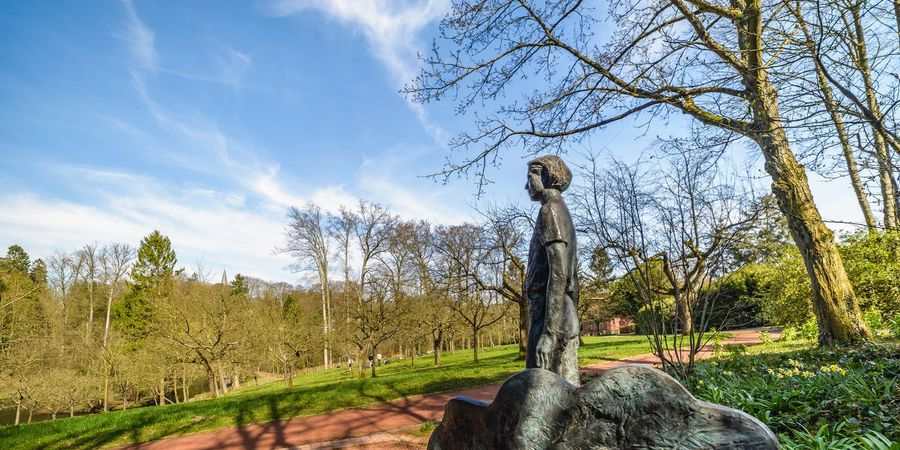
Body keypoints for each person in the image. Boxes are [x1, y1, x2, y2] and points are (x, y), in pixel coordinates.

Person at [524, 155, 580, 385]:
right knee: (562, 389)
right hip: (557, 314)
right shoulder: (560, 210)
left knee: (546, 389)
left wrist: (549, 333)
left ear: (545, 176)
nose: (526, 186)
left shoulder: (551, 211)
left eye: (530, 178)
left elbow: (559, 274)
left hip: (550, 315)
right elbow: (573, 276)